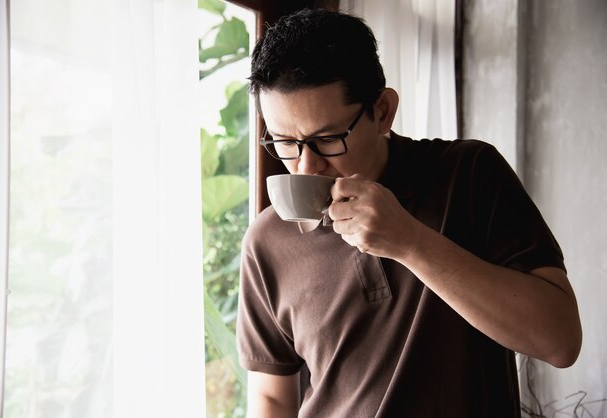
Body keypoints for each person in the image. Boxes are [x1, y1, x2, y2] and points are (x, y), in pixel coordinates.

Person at [235, 8, 582, 418]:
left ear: (382, 111)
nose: (305, 166)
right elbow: (272, 396)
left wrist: (410, 241)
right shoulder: (268, 240)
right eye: (284, 142)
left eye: (327, 140)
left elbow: (559, 341)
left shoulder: (468, 174)